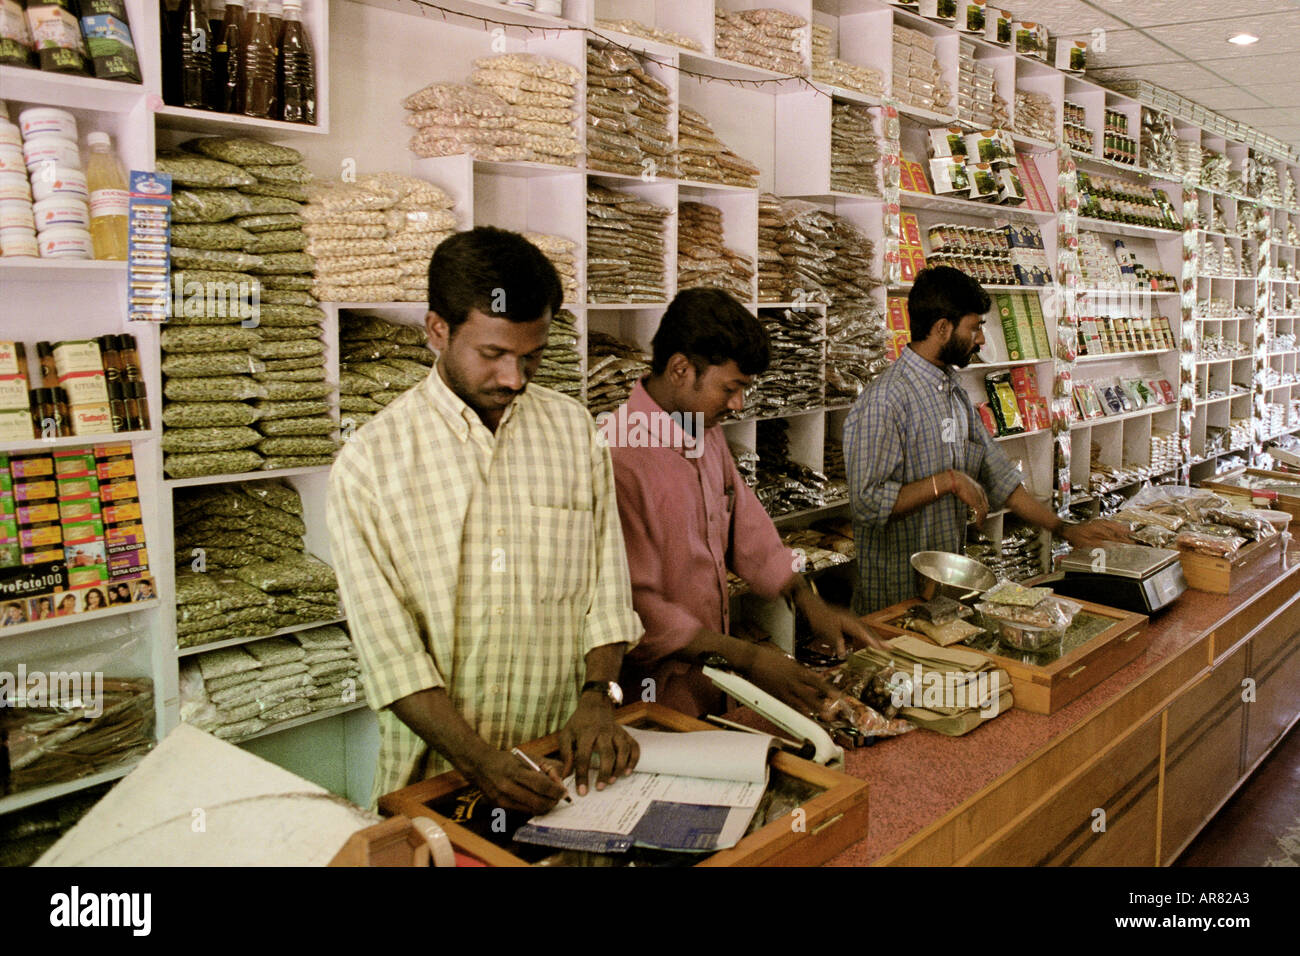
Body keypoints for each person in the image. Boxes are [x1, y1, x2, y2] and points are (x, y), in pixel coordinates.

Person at [328, 226, 645, 814]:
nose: (514, 379)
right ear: (437, 331)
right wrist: (478, 761)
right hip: (439, 781)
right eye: (493, 354)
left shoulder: (573, 430)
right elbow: (389, 653)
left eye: (531, 356)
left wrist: (599, 693)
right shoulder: (370, 463)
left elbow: (607, 588)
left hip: (566, 763)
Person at [604, 288, 884, 719]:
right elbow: (636, 609)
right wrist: (749, 658)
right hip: (651, 690)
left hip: (711, 672)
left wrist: (808, 600)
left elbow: (745, 526)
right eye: (731, 388)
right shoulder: (621, 456)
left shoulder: (702, 429)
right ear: (680, 369)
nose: (738, 404)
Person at [845, 266, 1132, 614]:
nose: (981, 339)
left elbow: (997, 473)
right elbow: (867, 502)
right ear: (942, 329)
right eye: (975, 327)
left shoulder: (953, 392)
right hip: (894, 599)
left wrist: (1063, 528)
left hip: (943, 597)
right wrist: (947, 482)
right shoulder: (885, 400)